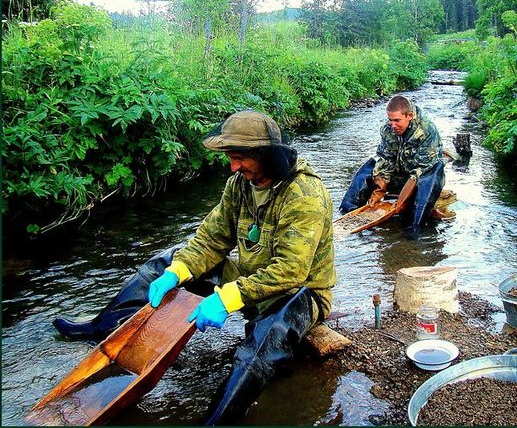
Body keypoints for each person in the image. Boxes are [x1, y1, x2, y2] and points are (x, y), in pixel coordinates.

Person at [53, 110, 336, 425]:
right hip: (250, 277)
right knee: (168, 260)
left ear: (265, 155)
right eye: (231, 157)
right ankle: (104, 329)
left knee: (270, 332)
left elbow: (290, 271)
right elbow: (211, 240)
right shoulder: (238, 186)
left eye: (240, 158)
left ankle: (218, 419)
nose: (233, 166)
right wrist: (178, 272)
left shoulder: (305, 194)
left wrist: (227, 299)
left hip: (301, 291)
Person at [339, 95, 446, 235]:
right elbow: (385, 159)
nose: (393, 125)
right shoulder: (387, 129)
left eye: (397, 121)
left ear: (410, 116)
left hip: (418, 180)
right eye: (390, 120)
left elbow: (420, 170)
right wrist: (379, 191)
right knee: (368, 168)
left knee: (433, 173)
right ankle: (347, 212)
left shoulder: (427, 130)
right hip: (398, 175)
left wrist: (400, 201)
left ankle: (413, 230)